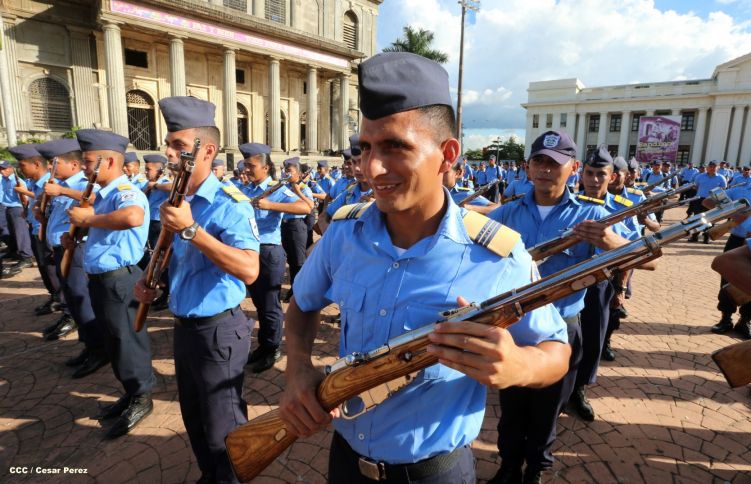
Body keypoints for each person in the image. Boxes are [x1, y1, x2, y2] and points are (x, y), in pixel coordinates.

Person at [279, 52, 570, 484]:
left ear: (447, 154)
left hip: (435, 473)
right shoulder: (344, 234)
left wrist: (517, 367)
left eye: (395, 147)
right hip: (345, 463)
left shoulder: (497, 255)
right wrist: (298, 366)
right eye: (366, 149)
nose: (372, 168)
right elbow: (302, 306)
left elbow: (556, 350)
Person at [487, 131, 632, 483]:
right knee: (512, 406)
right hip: (515, 326)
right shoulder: (507, 212)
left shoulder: (593, 213)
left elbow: (647, 257)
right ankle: (508, 468)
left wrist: (613, 243)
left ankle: (538, 470)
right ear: (527, 166)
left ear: (574, 168)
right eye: (538, 161)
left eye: (555, 163)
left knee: (548, 408)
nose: (545, 169)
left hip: (562, 327)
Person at [134, 96, 260, 484]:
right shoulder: (180, 199)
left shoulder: (230, 204)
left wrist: (192, 230)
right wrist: (152, 281)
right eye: (169, 145)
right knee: (195, 417)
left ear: (207, 151)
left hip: (218, 331)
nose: (169, 154)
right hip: (185, 326)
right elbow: (179, 258)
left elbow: (249, 269)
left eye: (178, 146)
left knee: (224, 426)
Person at [64, 129, 155, 439]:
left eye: (89, 162)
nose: (84, 168)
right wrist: (78, 234)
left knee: (127, 340)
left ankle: (142, 396)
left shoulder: (125, 191)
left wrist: (88, 220)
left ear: (110, 161)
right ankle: (130, 392)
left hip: (120, 279)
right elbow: (106, 232)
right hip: (101, 279)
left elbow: (132, 217)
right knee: (115, 341)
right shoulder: (101, 196)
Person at [37, 139, 109, 376]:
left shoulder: (84, 183)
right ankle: (88, 345)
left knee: (81, 298)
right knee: (72, 298)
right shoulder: (58, 183)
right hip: (61, 246)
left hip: (77, 248)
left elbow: (97, 200)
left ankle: (99, 349)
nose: (51, 167)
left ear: (74, 164)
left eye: (55, 163)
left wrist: (63, 191)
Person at [239, 143, 309, 374]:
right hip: (249, 251)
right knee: (258, 301)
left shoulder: (275, 189)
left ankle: (272, 348)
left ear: (266, 168)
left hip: (268, 252)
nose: (246, 170)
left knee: (269, 303)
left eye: (251, 166)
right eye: (245, 166)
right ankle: (264, 343)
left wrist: (271, 204)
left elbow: (305, 207)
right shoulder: (245, 189)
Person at [702, 180, 751, 337]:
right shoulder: (740, 188)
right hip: (737, 240)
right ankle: (726, 318)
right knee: (728, 280)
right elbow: (707, 201)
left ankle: (746, 320)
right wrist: (732, 213)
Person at [279, 157, 315, 302]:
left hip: (297, 226)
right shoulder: (283, 188)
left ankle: (299, 291)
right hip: (285, 225)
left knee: (300, 261)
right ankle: (294, 288)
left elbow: (310, 206)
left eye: (290, 171)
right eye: (285, 170)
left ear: (299, 174)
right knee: (292, 261)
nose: (286, 173)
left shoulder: (305, 189)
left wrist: (298, 191)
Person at [140, 153, 171, 310]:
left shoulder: (165, 182)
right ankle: (161, 291)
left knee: (161, 259)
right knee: (152, 258)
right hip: (148, 223)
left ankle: (166, 294)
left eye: (149, 169)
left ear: (160, 171)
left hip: (159, 225)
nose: (146, 172)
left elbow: (175, 188)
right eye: (145, 169)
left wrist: (156, 186)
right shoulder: (146, 184)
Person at [2, 147, 35, 273]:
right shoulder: (4, 181)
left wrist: (24, 210)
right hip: (8, 207)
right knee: (13, 232)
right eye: (1, 169)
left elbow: (24, 198)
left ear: (11, 169)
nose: (2, 171)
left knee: (21, 232)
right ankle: (16, 252)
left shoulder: (17, 181)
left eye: (4, 169)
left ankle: (26, 256)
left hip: (17, 208)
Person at [688, 160, 727, 243]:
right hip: (700, 200)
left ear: (718, 168)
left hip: (713, 201)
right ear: (707, 167)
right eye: (711, 166)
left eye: (714, 166)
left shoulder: (721, 178)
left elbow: (723, 189)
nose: (712, 168)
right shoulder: (700, 176)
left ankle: (707, 237)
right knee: (697, 218)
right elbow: (696, 187)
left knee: (711, 219)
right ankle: (694, 236)